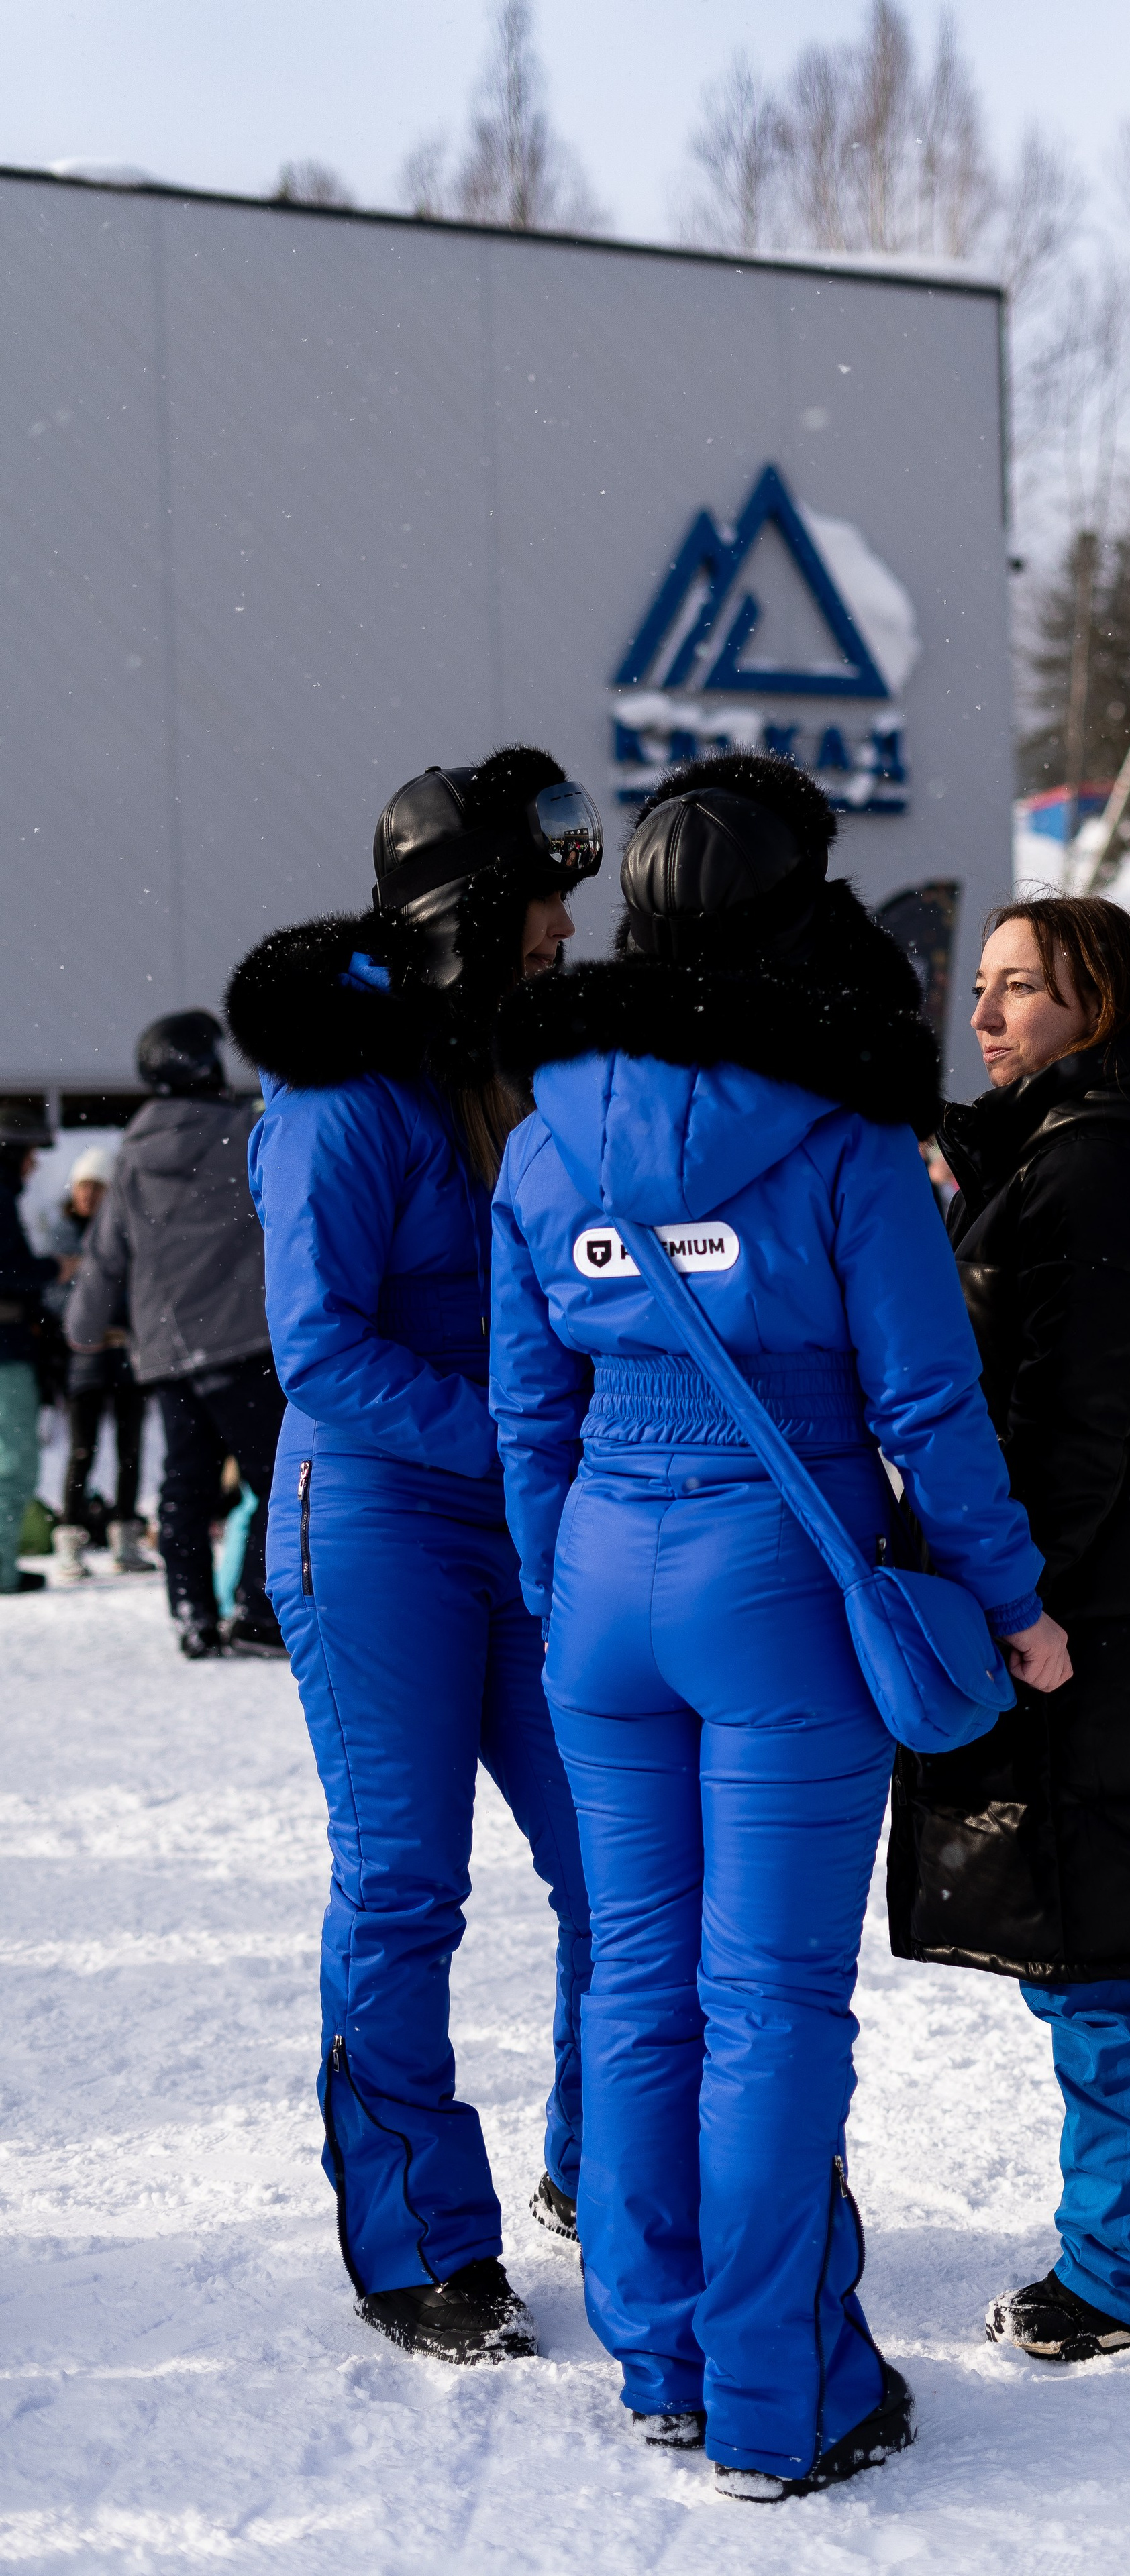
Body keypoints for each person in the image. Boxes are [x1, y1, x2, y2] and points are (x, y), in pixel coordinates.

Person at [488, 750, 1057, 2496]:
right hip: (780, 1581)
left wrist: (551, 1582)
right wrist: (1013, 1608)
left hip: (602, 1575)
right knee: (772, 2001)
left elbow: (523, 1405)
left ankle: (662, 2351)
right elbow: (931, 1405)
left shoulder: (548, 1120)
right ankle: (774, 2398)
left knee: (642, 1982)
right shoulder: (841, 1128)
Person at [225, 745, 601, 2367]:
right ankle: (418, 2237)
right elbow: (319, 1350)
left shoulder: (507, 1064)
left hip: (515, 1513)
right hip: (373, 1515)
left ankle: (609, 2159)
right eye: (539, 906)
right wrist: (518, 1446)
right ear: (464, 912)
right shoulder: (335, 1098)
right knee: (403, 1879)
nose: (562, 936)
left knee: (617, 1859)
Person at [888, 893, 1130, 2363]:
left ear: (1099, 1006)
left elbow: (1067, 1418)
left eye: (1020, 992)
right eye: (980, 988)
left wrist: (1017, 1598)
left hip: (1111, 1592)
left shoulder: (1096, 1166)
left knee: (1098, 1926)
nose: (985, 1017)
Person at [67, 1013, 286, 1652]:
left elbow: (107, 1255)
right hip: (244, 1343)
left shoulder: (132, 1158)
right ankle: (256, 1611)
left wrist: (82, 1328)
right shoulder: (246, 1134)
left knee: (183, 1487)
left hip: (168, 1355)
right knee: (274, 1481)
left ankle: (191, 1614)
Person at [41, 1146, 150, 1581]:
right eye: (83, 1186)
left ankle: (126, 1539)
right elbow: (55, 1297)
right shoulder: (63, 1236)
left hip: (127, 1358)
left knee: (130, 1448)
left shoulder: (129, 1233)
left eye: (96, 1187)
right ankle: (71, 1539)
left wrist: (108, 1316)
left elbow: (139, 1291)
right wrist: (96, 1322)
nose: (88, 1196)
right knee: (82, 1449)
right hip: (85, 1359)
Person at [0, 1103, 64, 1596]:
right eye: (30, 1153)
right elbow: (7, 1270)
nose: (35, 1165)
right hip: (5, 1350)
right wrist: (55, 1270)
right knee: (14, 1461)